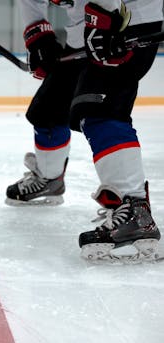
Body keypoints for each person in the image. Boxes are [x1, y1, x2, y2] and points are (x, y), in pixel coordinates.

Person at [9, 0, 162, 261]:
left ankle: (136, 211)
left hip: (128, 20)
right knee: (48, 108)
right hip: (85, 30)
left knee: (99, 109)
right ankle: (49, 179)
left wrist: (104, 18)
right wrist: (38, 35)